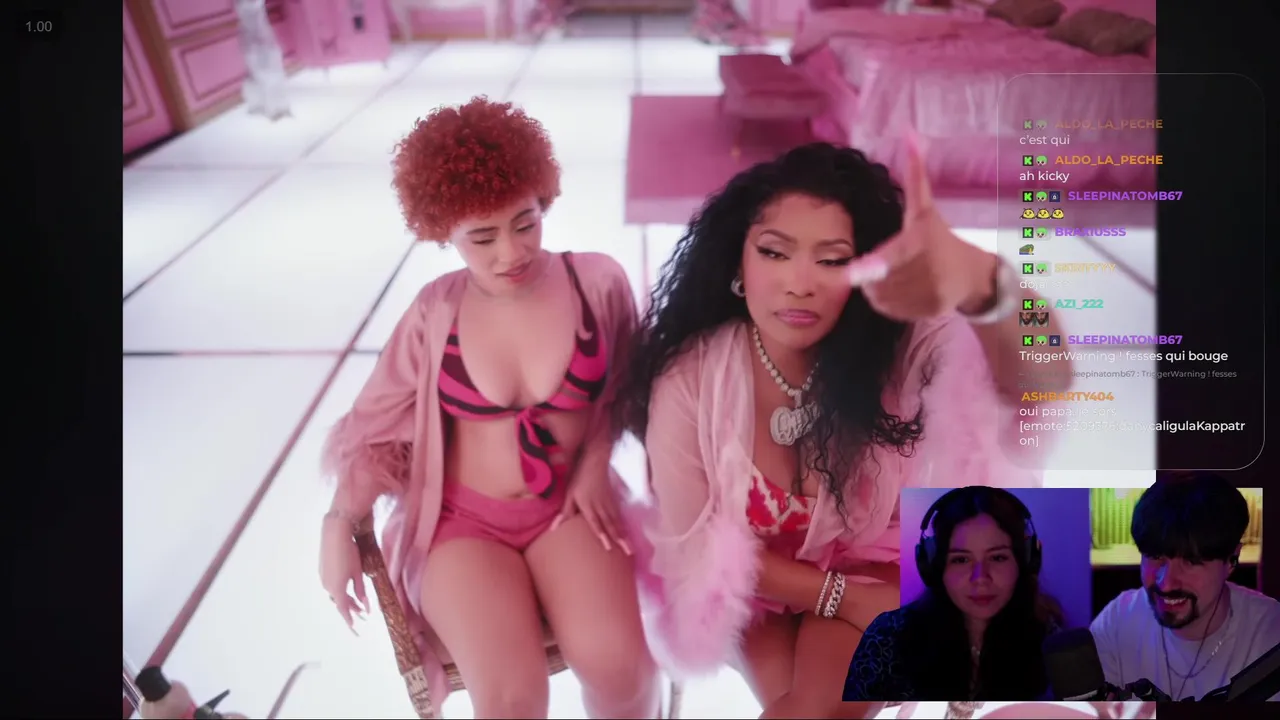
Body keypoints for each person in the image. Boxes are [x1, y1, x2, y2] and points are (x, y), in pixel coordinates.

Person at [620, 140, 1069, 719]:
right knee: (811, 708)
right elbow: (697, 551)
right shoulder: (690, 379)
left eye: (832, 260)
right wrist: (846, 599)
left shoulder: (899, 342)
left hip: (881, 566)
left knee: (814, 708)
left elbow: (1042, 380)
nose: (799, 283)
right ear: (737, 262)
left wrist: (982, 282)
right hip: (757, 586)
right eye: (774, 252)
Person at [317, 97, 659, 718]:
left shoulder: (596, 282)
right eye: (482, 237)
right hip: (461, 525)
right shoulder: (435, 311)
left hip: (567, 510)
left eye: (526, 223)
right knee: (509, 699)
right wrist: (339, 521)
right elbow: (376, 430)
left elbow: (630, 387)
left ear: (544, 200)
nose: (511, 252)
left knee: (622, 671)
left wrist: (595, 461)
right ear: (442, 231)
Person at [843, 486, 1066, 702]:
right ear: (936, 567)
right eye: (961, 559)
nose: (980, 577)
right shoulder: (887, 638)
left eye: (998, 557)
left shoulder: (1052, 642)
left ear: (1025, 561)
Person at [1089, 471, 1280, 702]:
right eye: (1155, 556)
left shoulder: (1270, 634)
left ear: (1232, 560)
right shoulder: (1117, 621)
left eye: (1191, 561)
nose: (1166, 582)